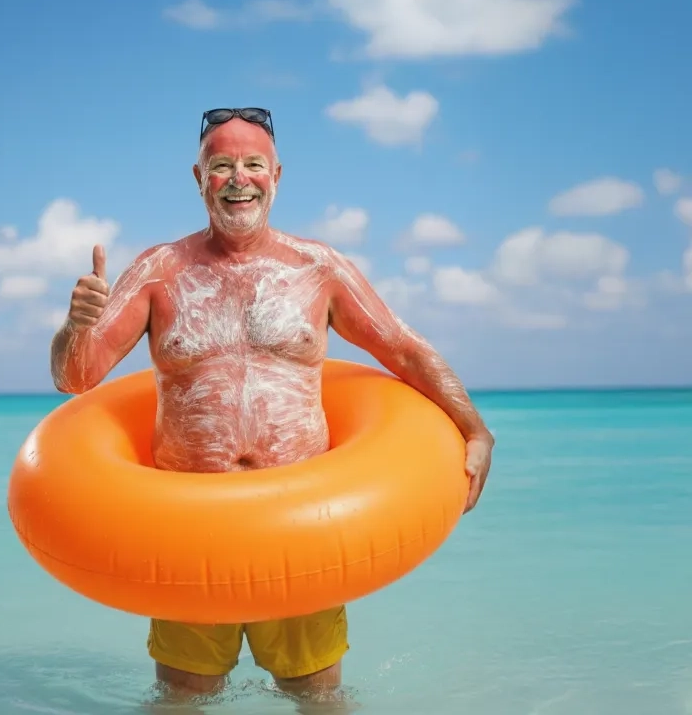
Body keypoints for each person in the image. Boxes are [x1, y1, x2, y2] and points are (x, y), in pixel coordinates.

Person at [48, 108, 495, 709]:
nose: (239, 178)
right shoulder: (159, 272)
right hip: (189, 531)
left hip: (300, 530)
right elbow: (76, 377)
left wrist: (474, 428)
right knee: (182, 698)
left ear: (276, 174)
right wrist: (76, 327)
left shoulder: (319, 269)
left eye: (252, 164)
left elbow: (404, 349)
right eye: (222, 166)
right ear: (198, 177)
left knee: (318, 698)